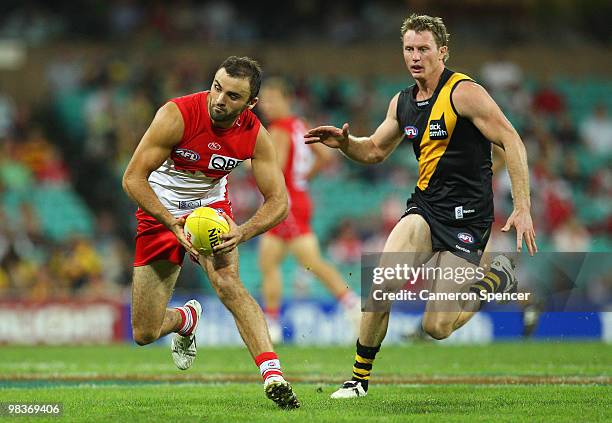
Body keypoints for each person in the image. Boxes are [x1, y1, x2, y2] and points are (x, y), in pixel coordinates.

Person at [305, 14, 537, 398]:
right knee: (381, 283)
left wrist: (523, 206)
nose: (415, 56)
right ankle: (358, 380)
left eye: (423, 49)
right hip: (426, 210)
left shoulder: (464, 92)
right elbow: (376, 149)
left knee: (437, 327)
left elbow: (512, 141)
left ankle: (497, 278)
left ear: (442, 52)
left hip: (469, 218)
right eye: (409, 49)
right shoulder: (403, 103)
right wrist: (346, 143)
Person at [122, 56, 300, 409]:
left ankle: (273, 374)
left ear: (250, 104)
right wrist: (171, 221)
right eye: (217, 88)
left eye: (233, 96)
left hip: (209, 211)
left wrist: (244, 232)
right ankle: (186, 319)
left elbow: (280, 202)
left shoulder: (255, 135)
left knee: (228, 283)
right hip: (160, 209)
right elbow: (133, 178)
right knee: (144, 332)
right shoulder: (177, 115)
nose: (220, 99)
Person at [256, 77, 360, 343]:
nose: (267, 105)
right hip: (297, 196)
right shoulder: (299, 125)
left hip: (285, 202)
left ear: (287, 99)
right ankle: (273, 322)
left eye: (273, 99)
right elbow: (325, 157)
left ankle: (351, 305)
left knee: (309, 261)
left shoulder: (279, 129)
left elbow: (274, 168)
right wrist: (301, 179)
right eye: (265, 100)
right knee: (268, 260)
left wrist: (251, 164)